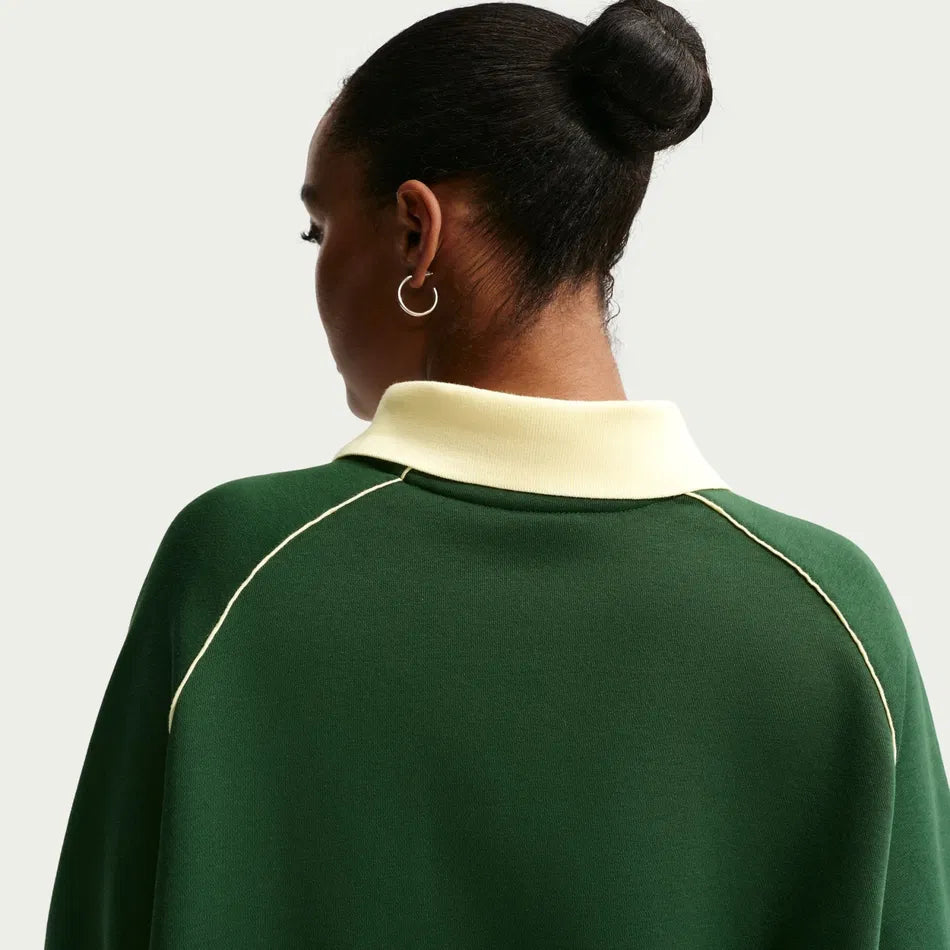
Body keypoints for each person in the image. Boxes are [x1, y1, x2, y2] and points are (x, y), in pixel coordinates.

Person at [45, 2, 950, 947]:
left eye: (318, 229)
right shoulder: (831, 619)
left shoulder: (239, 573)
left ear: (415, 232)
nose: (316, 269)